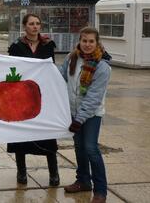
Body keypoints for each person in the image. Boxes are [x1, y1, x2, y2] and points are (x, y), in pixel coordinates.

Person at [6, 13, 60, 186]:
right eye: (31, 23)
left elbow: (51, 68)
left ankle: (54, 172)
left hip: (44, 95)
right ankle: (21, 171)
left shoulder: (48, 44)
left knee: (48, 134)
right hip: (23, 96)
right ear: (24, 26)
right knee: (21, 135)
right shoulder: (16, 46)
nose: (35, 26)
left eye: (37, 23)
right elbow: (12, 68)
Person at [60, 27, 111, 203]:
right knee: (79, 148)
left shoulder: (102, 66)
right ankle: (83, 181)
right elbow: (60, 79)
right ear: (79, 41)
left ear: (97, 43)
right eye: (84, 41)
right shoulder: (71, 58)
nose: (87, 44)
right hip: (73, 111)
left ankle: (101, 190)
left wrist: (79, 119)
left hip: (91, 114)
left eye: (91, 41)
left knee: (91, 149)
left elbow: (93, 98)